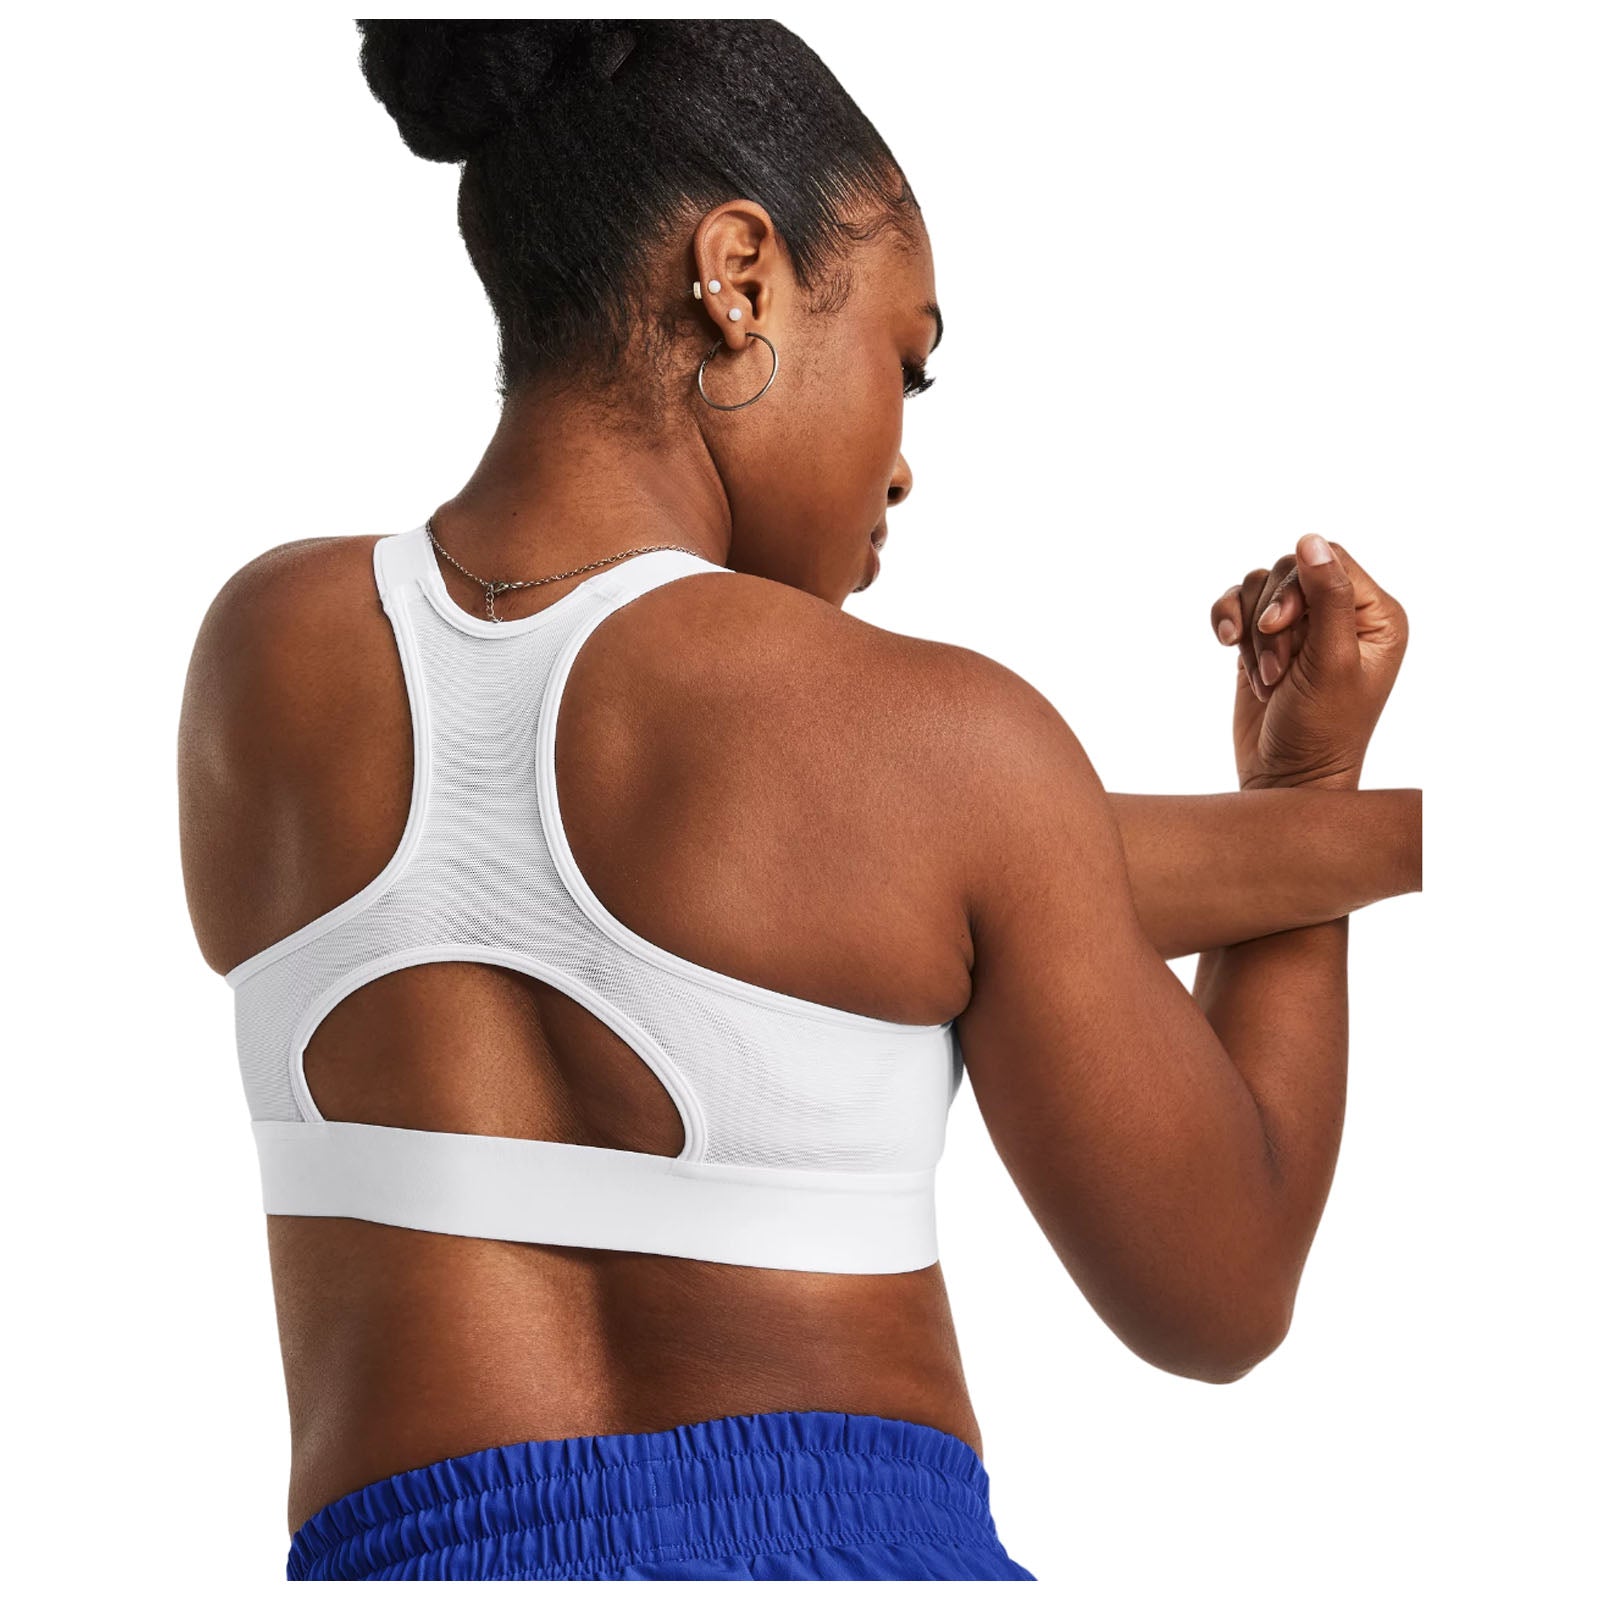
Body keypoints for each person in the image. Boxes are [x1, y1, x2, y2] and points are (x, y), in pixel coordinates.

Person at [176, 19, 1421, 1583]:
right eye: (910, 362)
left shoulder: (264, 659)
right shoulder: (941, 741)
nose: (903, 461)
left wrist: (1312, 831)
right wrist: (1320, 795)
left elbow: (971, 876)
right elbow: (1219, 1295)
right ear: (738, 278)